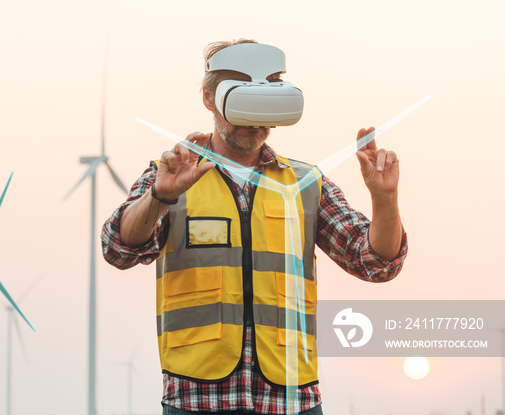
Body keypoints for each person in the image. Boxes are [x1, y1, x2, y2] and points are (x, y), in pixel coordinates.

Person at [101, 39, 407, 415]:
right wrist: (159, 197)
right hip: (197, 397)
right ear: (209, 98)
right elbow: (118, 248)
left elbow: (375, 262)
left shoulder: (305, 182)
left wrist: (385, 199)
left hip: (291, 397)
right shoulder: (171, 173)